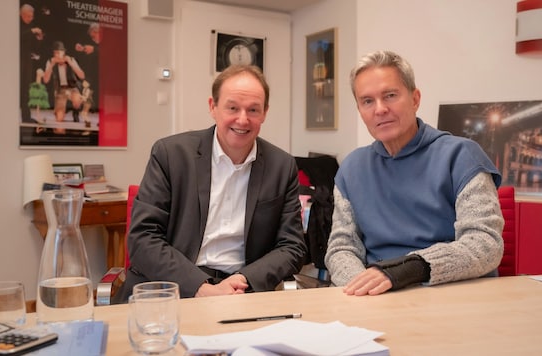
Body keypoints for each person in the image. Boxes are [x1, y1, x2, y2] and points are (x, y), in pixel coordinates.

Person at [113, 65, 307, 303]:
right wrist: (200, 287)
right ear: (212, 107)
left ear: (265, 113)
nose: (243, 119)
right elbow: (143, 238)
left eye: (253, 109)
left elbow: (292, 246)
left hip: (242, 292)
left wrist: (242, 281)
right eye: (232, 107)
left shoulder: (282, 165)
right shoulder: (170, 154)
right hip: (171, 290)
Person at [324, 50, 504, 296]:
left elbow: (485, 245)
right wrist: (364, 288)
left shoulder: (462, 156)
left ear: (415, 99)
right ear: (360, 109)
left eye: (390, 95)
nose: (380, 109)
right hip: (378, 301)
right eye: (367, 101)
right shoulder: (351, 168)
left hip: (453, 298)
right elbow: (342, 247)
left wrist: (403, 270)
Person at [42, 41, 85, 130]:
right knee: (59, 119)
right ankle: (61, 111)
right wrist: (51, 65)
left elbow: (82, 76)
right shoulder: (50, 61)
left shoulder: (71, 59)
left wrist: (70, 63)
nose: (57, 55)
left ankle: (75, 111)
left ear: (63, 53)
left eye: (59, 52)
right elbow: (46, 80)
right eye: (55, 53)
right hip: (60, 90)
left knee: (77, 101)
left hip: (73, 88)